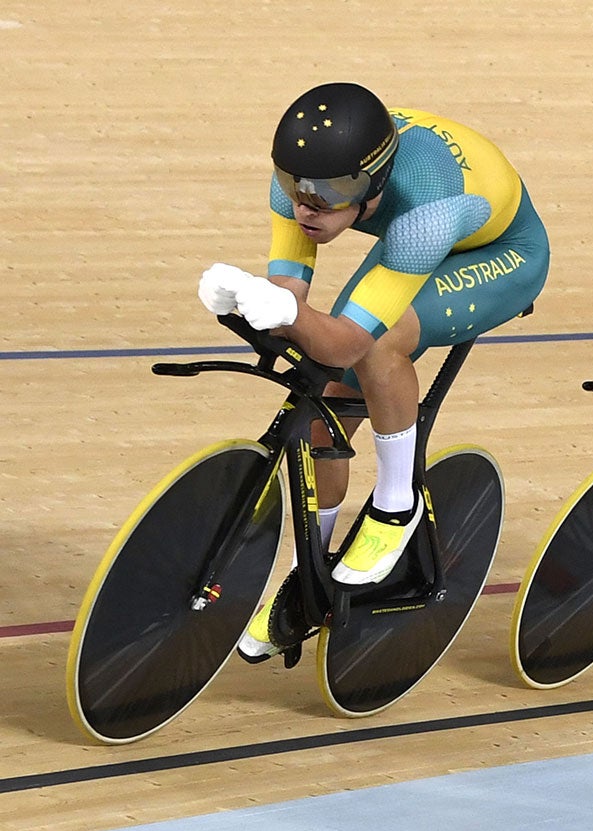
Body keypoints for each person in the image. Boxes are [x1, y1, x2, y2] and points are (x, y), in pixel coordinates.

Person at [199, 83, 549, 659]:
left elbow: (348, 342)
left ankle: (396, 500)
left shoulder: (424, 214)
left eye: (329, 194)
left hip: (499, 252)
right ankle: (304, 576)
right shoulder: (302, 178)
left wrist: (291, 314)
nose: (307, 206)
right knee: (322, 416)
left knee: (379, 343)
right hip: (413, 228)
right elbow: (291, 292)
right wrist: (251, 300)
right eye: (297, 189)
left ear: (373, 186)